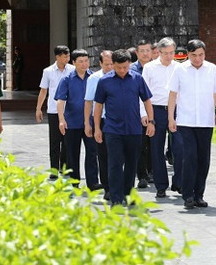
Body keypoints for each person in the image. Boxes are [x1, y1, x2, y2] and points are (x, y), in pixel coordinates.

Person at [167, 39, 216, 209]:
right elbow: (172, 95)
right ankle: (188, 195)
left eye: (201, 55)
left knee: (203, 159)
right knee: (190, 156)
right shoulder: (180, 70)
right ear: (188, 54)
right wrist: (171, 117)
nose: (198, 58)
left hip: (205, 121)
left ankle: (199, 194)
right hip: (186, 121)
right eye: (194, 55)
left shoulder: (213, 70)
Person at [93, 49, 155, 206]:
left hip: (134, 129)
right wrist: (97, 128)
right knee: (114, 164)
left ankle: (128, 194)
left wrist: (151, 121)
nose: (122, 70)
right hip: (113, 130)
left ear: (129, 64)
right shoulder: (104, 81)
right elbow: (98, 106)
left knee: (131, 164)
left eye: (125, 67)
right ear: (113, 64)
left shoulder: (137, 79)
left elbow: (147, 100)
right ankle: (115, 197)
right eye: (119, 67)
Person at [142, 37, 183, 198]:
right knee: (156, 149)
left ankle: (179, 181)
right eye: (165, 53)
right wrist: (145, 114)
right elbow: (143, 94)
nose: (169, 56)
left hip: (176, 111)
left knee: (180, 148)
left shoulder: (180, 68)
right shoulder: (150, 68)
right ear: (158, 52)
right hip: (156, 110)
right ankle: (161, 185)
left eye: (172, 52)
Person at [55, 49, 100, 190]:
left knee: (92, 152)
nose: (84, 64)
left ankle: (93, 182)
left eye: (86, 60)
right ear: (73, 62)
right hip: (72, 122)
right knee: (72, 153)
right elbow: (61, 100)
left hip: (90, 122)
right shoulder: (67, 79)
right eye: (80, 61)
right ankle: (74, 182)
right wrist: (61, 119)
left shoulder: (94, 78)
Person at [36, 46, 74, 178]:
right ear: (57, 57)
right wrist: (38, 108)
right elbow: (43, 90)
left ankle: (65, 166)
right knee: (55, 141)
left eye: (68, 56)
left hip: (69, 110)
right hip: (53, 110)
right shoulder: (48, 71)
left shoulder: (72, 70)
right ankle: (53, 169)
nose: (67, 59)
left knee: (68, 140)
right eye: (64, 56)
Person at [84, 50, 113, 195]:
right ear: (100, 63)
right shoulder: (94, 79)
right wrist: (88, 124)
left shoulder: (120, 76)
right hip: (100, 120)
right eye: (106, 64)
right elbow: (88, 102)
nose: (109, 67)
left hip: (117, 121)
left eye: (112, 64)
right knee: (103, 155)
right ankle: (107, 187)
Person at [130, 39, 154, 189]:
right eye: (142, 51)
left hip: (153, 111)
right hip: (136, 112)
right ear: (136, 53)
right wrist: (142, 112)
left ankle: (152, 172)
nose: (145, 54)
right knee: (140, 145)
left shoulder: (156, 67)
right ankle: (142, 175)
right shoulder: (131, 69)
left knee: (154, 144)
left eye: (148, 50)